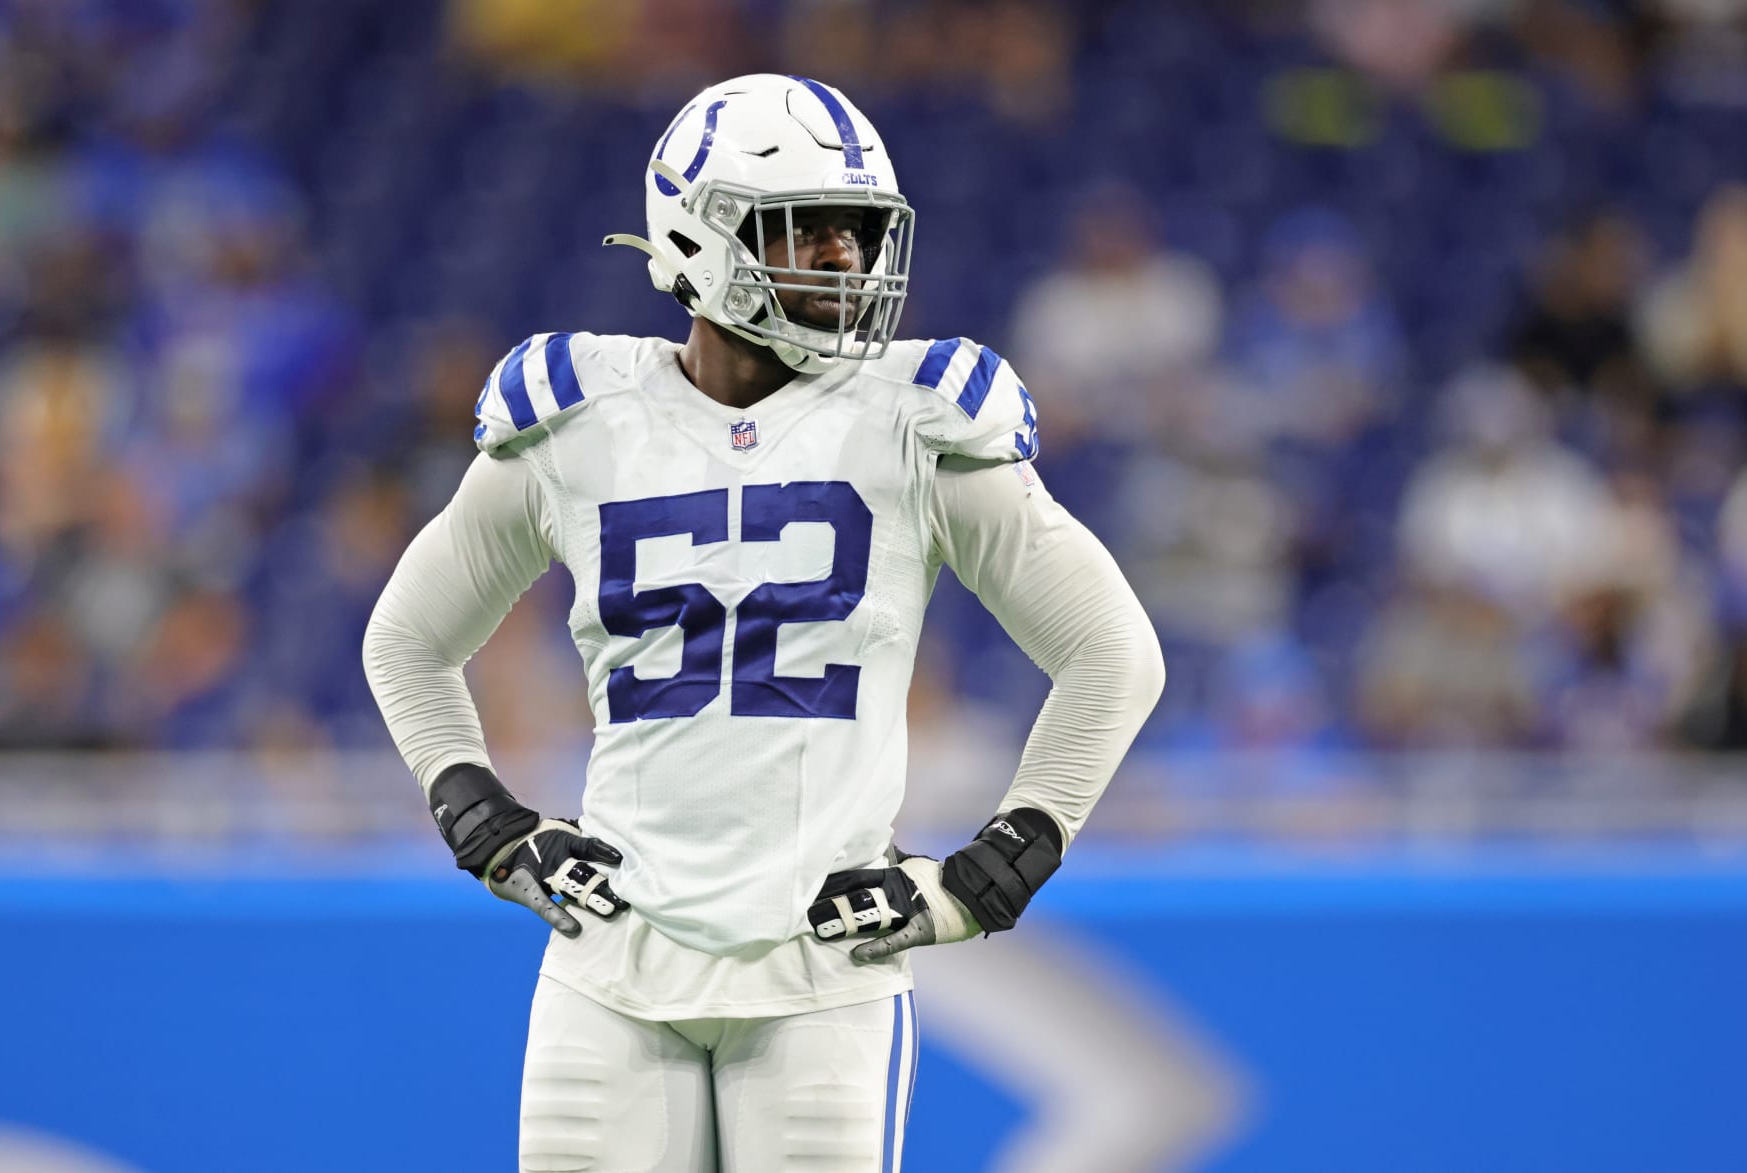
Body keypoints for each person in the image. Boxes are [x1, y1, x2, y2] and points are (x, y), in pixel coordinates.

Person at [362, 73, 1163, 1173]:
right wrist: (482, 818)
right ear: (699, 237)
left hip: (821, 969)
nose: (846, 258)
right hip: (611, 960)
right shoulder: (579, 421)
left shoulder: (916, 420)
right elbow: (406, 639)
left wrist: (999, 864)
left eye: (860, 231)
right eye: (811, 228)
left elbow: (1113, 653)